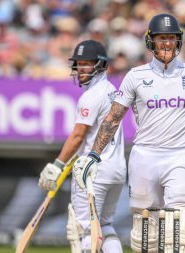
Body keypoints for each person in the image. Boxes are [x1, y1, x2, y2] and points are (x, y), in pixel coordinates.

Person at [73, 13, 185, 252]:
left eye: (171, 38)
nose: (166, 43)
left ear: (178, 41)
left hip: (179, 156)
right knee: (145, 232)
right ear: (150, 41)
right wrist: (94, 155)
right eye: (161, 38)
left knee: (179, 228)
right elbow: (113, 117)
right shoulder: (136, 77)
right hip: (144, 157)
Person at [38, 39, 126, 253]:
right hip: (116, 170)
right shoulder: (111, 90)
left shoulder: (91, 96)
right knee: (105, 225)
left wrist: (57, 165)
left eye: (87, 63)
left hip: (93, 172)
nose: (81, 69)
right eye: (78, 63)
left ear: (101, 64)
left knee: (85, 231)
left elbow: (78, 136)